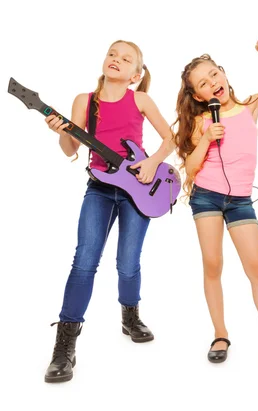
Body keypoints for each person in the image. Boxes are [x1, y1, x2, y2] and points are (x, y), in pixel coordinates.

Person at [43, 40, 176, 382]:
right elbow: (69, 149)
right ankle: (64, 346)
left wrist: (152, 163)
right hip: (99, 189)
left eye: (126, 58)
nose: (116, 60)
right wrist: (61, 133)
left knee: (128, 263)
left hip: (138, 191)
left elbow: (170, 139)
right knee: (85, 260)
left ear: (136, 74)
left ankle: (130, 316)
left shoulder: (141, 99)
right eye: (112, 54)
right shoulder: (83, 101)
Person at [172, 38, 258, 371]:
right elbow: (190, 168)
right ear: (199, 97)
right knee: (213, 264)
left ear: (224, 75)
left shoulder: (250, 107)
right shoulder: (202, 122)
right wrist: (204, 139)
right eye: (204, 83)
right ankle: (220, 333)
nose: (213, 83)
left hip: (241, 199)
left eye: (214, 74)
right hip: (207, 196)